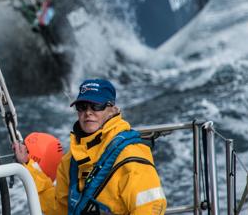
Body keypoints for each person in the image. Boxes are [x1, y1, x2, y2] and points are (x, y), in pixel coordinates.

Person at [14, 79, 166, 215]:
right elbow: (59, 209)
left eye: (96, 106)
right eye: (82, 106)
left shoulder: (131, 156)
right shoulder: (71, 160)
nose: (88, 112)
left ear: (112, 109)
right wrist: (28, 167)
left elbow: (151, 207)